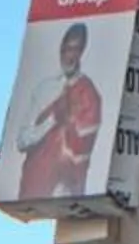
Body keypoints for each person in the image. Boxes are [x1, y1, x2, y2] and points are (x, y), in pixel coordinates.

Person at [17, 21, 104, 198]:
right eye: (66, 49)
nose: (69, 56)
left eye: (75, 49)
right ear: (60, 50)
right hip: (33, 185)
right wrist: (53, 119)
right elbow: (22, 141)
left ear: (82, 52)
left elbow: (82, 151)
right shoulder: (45, 89)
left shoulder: (88, 93)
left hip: (63, 192)